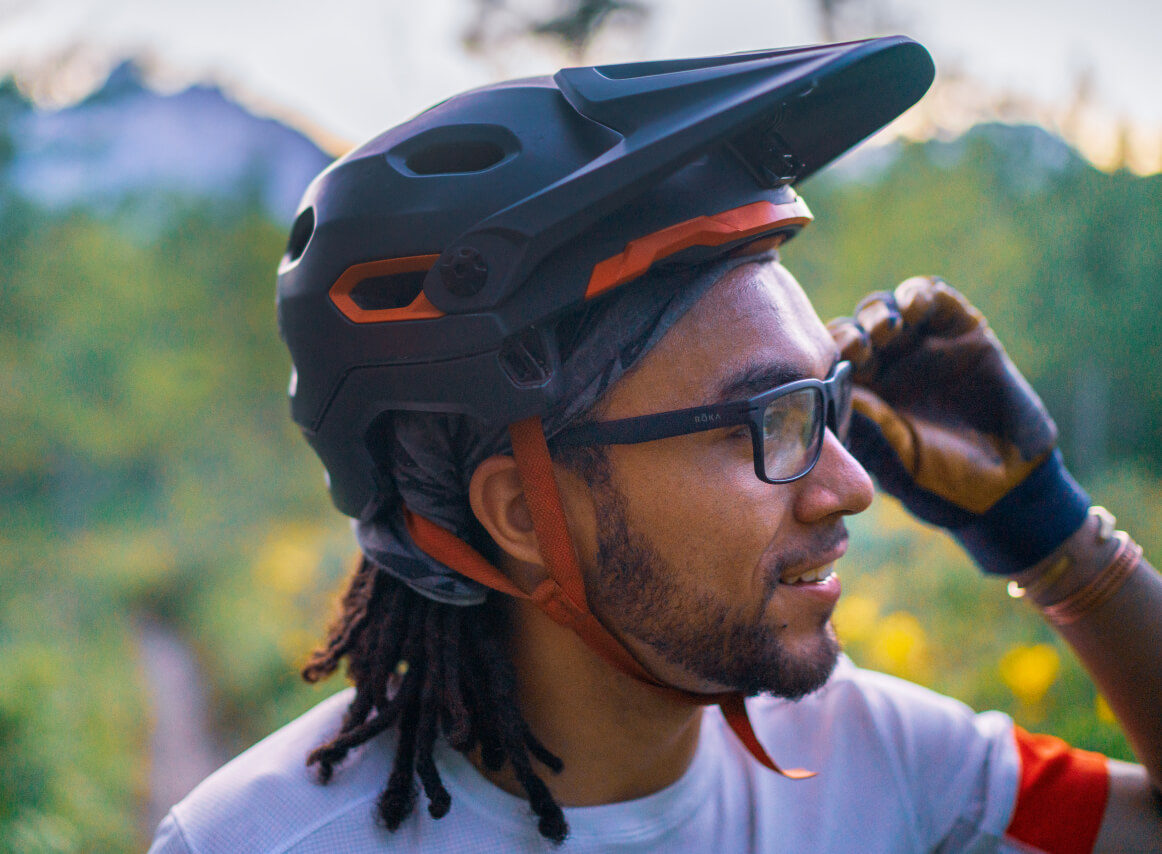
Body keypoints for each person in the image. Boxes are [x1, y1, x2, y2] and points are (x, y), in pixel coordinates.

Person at [148, 37, 1162, 852]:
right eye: (764, 421)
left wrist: (1051, 532)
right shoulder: (257, 839)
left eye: (829, 399)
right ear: (518, 512)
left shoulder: (890, 763)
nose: (849, 486)